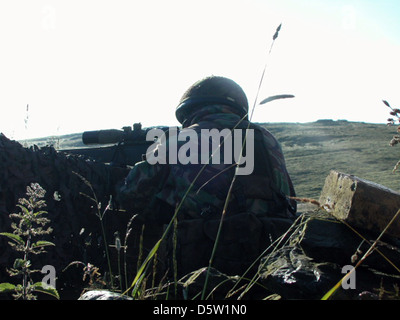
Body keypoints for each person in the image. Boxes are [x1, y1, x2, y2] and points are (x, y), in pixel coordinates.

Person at [117, 76, 296, 277]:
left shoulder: (180, 139)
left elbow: (130, 196)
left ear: (188, 111)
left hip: (203, 267)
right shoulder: (268, 139)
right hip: (272, 257)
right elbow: (290, 199)